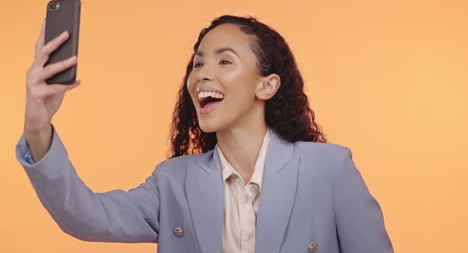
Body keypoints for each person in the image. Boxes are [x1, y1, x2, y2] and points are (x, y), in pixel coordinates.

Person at [16, 15, 394, 253]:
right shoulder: (172, 181)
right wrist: (38, 126)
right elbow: (85, 217)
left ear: (267, 86)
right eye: (197, 63)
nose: (201, 74)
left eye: (224, 61)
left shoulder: (328, 169)